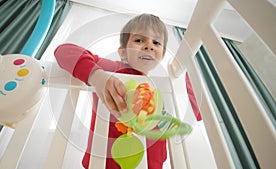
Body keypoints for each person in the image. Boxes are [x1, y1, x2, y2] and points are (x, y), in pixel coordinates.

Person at [54, 13, 200, 169]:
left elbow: (196, 110)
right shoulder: (113, 71)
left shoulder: (164, 88)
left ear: (162, 54)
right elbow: (63, 51)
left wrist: (181, 74)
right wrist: (97, 77)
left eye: (156, 42)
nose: (148, 46)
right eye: (139, 40)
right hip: (104, 162)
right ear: (123, 52)